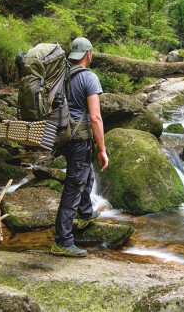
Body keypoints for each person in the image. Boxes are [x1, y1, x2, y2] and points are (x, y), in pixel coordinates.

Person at [50, 37, 109, 258]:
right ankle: (62, 240)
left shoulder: (61, 75)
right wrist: (102, 149)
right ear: (89, 54)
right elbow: (95, 117)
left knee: (85, 172)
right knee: (74, 185)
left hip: (62, 135)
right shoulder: (89, 78)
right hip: (79, 137)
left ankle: (85, 214)